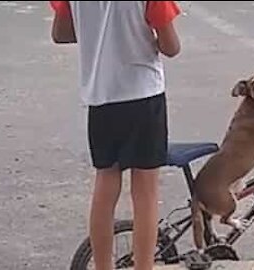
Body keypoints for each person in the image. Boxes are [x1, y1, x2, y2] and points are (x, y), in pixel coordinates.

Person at [50, 1, 181, 270]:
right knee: (145, 194)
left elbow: (61, 33)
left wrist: (98, 36)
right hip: (143, 95)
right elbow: (171, 47)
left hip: (101, 97)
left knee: (105, 185)